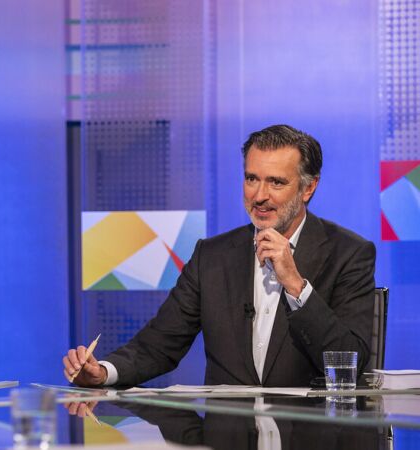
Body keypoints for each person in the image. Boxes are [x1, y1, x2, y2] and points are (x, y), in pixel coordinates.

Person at [63, 124, 376, 388]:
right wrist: (102, 373)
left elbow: (351, 361)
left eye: (276, 182)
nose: (259, 195)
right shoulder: (211, 257)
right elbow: (158, 345)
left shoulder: (348, 254)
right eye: (252, 178)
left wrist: (296, 286)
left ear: (307, 189)